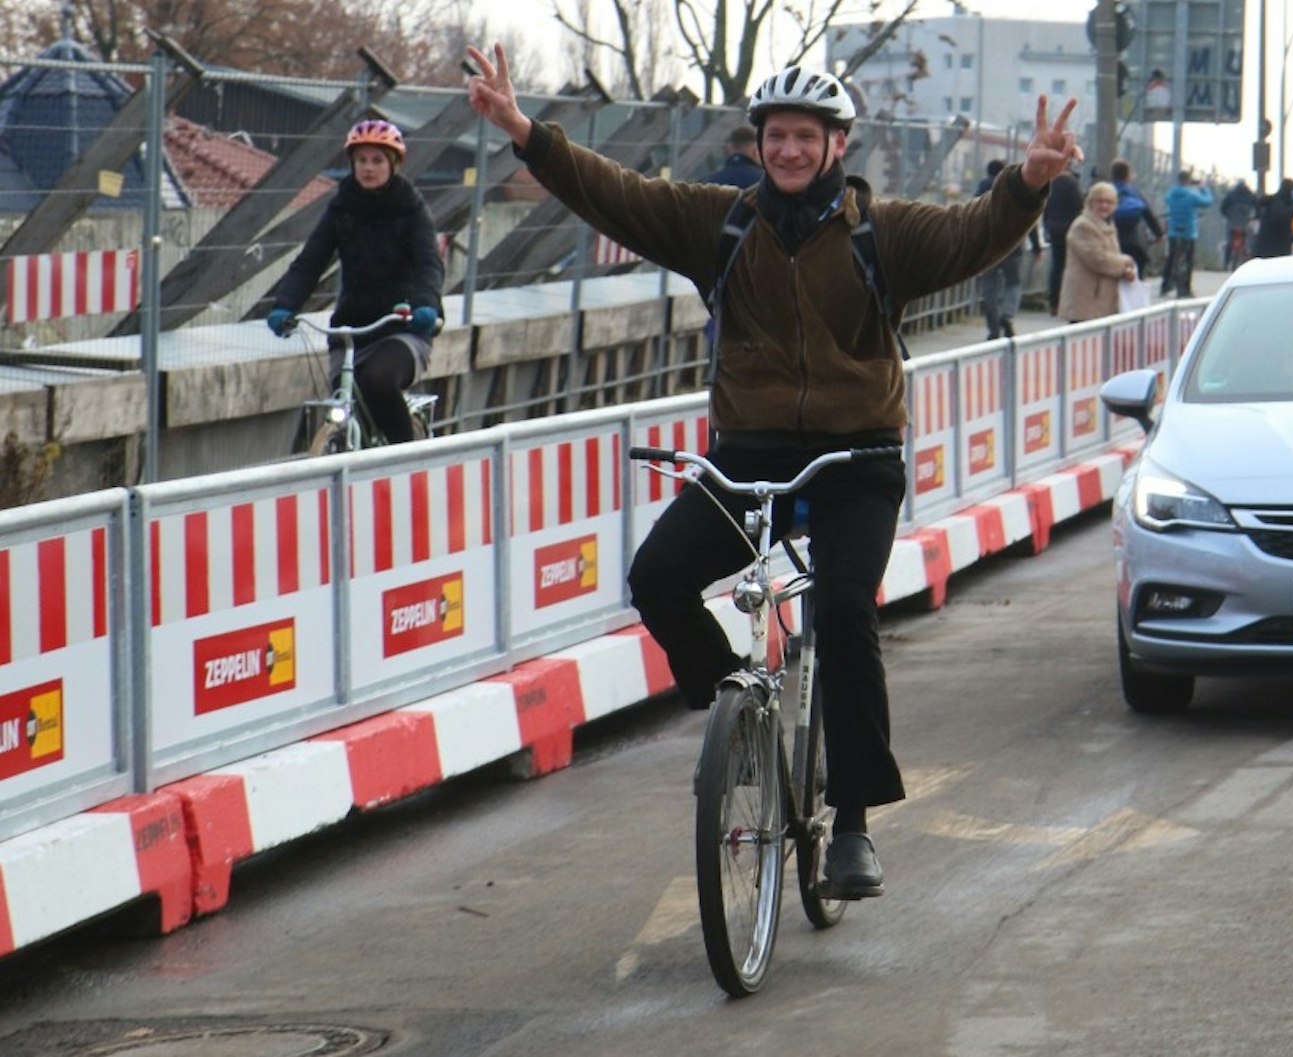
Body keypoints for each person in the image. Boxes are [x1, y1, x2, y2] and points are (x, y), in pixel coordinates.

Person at [466, 47, 1077, 899]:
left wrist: (1027, 184)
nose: (788, 150)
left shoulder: (880, 232)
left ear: (836, 144)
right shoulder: (720, 224)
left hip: (856, 458)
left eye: (806, 136)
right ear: (757, 145)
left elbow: (972, 234)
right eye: (775, 136)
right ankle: (739, 720)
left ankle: (854, 825)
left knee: (842, 610)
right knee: (658, 576)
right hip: (751, 452)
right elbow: (617, 194)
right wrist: (525, 133)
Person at [267, 119, 442, 445]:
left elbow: (428, 264)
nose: (368, 168)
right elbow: (310, 263)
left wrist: (427, 306)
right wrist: (285, 306)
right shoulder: (341, 208)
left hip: (401, 328)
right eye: (361, 160)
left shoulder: (412, 209)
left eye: (377, 160)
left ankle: (408, 460)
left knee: (377, 382)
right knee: (339, 401)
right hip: (350, 332)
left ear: (393, 164)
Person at [975, 160, 1043, 338]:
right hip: (1013, 246)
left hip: (987, 245)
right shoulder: (1015, 187)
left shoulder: (982, 187)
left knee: (989, 286)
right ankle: (1007, 313)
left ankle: (993, 329)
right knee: (1013, 283)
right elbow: (1029, 218)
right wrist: (1036, 246)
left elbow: (972, 216)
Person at [1059, 181, 1137, 324]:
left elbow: (1110, 257)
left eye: (1109, 202)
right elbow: (1098, 260)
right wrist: (1125, 263)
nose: (1104, 206)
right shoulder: (1083, 225)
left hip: (1101, 299)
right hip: (1086, 300)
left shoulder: (1108, 224)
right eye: (1099, 201)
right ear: (1090, 202)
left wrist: (1126, 270)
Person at [1160, 170, 1213, 298]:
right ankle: (1185, 288)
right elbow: (1207, 202)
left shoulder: (1171, 193)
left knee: (1172, 258)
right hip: (1188, 232)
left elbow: (1166, 199)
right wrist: (1204, 188)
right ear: (1188, 181)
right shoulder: (1192, 195)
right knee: (1188, 260)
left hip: (1173, 231)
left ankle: (1165, 285)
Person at [1109, 159, 1162, 279]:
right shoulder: (1134, 193)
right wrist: (1159, 234)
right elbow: (1148, 214)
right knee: (1136, 277)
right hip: (1134, 243)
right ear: (1128, 176)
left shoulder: (1106, 192)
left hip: (1111, 242)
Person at [1042, 170, 1084, 314]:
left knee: (1056, 266)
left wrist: (1047, 225)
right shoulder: (1072, 184)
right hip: (1070, 229)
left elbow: (1044, 207)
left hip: (1054, 229)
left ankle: (1054, 303)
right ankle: (1067, 301)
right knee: (1070, 266)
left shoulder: (1050, 184)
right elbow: (1079, 206)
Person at [1253, 178, 1293, 258]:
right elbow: (1281, 216)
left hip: (1265, 243)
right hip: (1278, 244)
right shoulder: (1283, 203)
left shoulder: (1270, 200)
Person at [1219, 178, 1258, 268]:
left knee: (1229, 241)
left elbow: (1223, 207)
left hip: (1232, 222)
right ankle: (1246, 257)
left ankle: (1226, 263)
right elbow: (1257, 207)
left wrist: (1227, 215)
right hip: (1245, 222)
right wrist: (1255, 217)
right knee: (1247, 240)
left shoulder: (1231, 194)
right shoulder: (1250, 194)